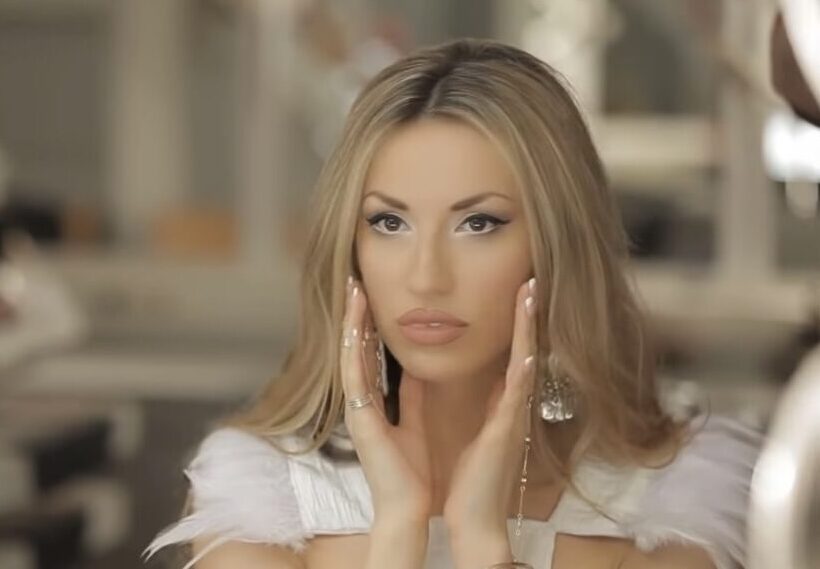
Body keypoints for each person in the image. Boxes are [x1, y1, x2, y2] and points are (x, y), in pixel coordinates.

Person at [143, 39, 761, 569]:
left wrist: (483, 540)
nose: (426, 277)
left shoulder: (675, 498)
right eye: (389, 222)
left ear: (556, 246)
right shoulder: (262, 496)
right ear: (351, 249)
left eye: (478, 223)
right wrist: (397, 532)